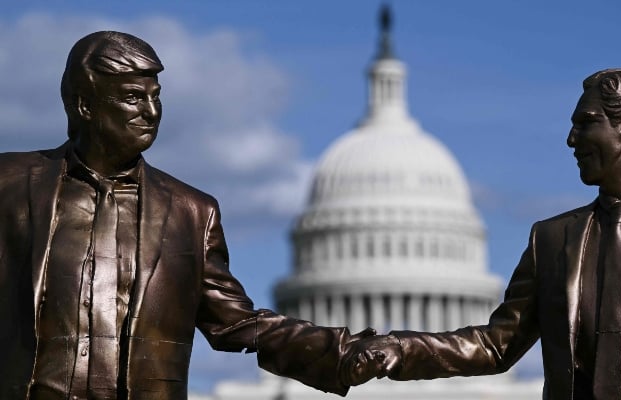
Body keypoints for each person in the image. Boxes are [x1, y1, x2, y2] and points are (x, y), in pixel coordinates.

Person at [0, 31, 373, 399]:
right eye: (133, 97)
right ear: (85, 105)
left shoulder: (191, 213)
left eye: (155, 97)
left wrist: (355, 353)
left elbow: (237, 324)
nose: (151, 112)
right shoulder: (10, 185)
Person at [342, 68, 621, 399]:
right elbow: (497, 345)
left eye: (586, 123)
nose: (570, 139)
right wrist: (400, 347)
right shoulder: (552, 240)